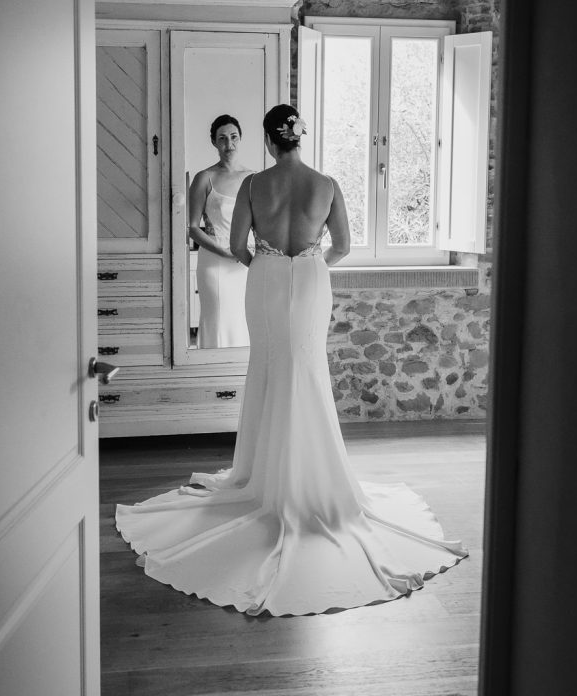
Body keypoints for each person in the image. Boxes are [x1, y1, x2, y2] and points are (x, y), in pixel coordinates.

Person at [116, 105, 468, 616]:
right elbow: (343, 246)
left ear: (267, 139)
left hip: (265, 280)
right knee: (307, 369)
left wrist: (271, 266)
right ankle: (312, 477)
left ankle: (261, 475)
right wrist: (307, 265)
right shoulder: (326, 183)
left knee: (267, 367)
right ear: (300, 136)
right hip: (311, 281)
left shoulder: (256, 184)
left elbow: (237, 245)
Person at [188, 114, 252, 348]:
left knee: (244, 318)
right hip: (215, 260)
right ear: (214, 142)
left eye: (234, 137)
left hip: (245, 259)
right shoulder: (204, 178)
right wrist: (224, 252)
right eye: (222, 138)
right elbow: (193, 228)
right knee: (218, 317)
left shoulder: (252, 178)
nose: (229, 144)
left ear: (240, 139)